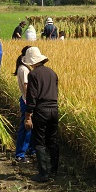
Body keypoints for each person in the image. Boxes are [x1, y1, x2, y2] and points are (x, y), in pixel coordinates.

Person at [23, 47, 59, 182]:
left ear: (32, 62)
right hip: (54, 109)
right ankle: (54, 171)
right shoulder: (52, 73)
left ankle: (43, 173)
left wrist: (28, 116)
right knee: (52, 140)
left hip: (41, 110)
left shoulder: (33, 75)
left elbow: (31, 97)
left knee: (40, 141)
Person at [14, 46, 33, 163]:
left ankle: (30, 150)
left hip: (25, 99)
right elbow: (26, 87)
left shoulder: (22, 68)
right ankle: (20, 153)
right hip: (27, 101)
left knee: (29, 127)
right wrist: (31, 102)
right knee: (26, 127)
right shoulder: (24, 69)